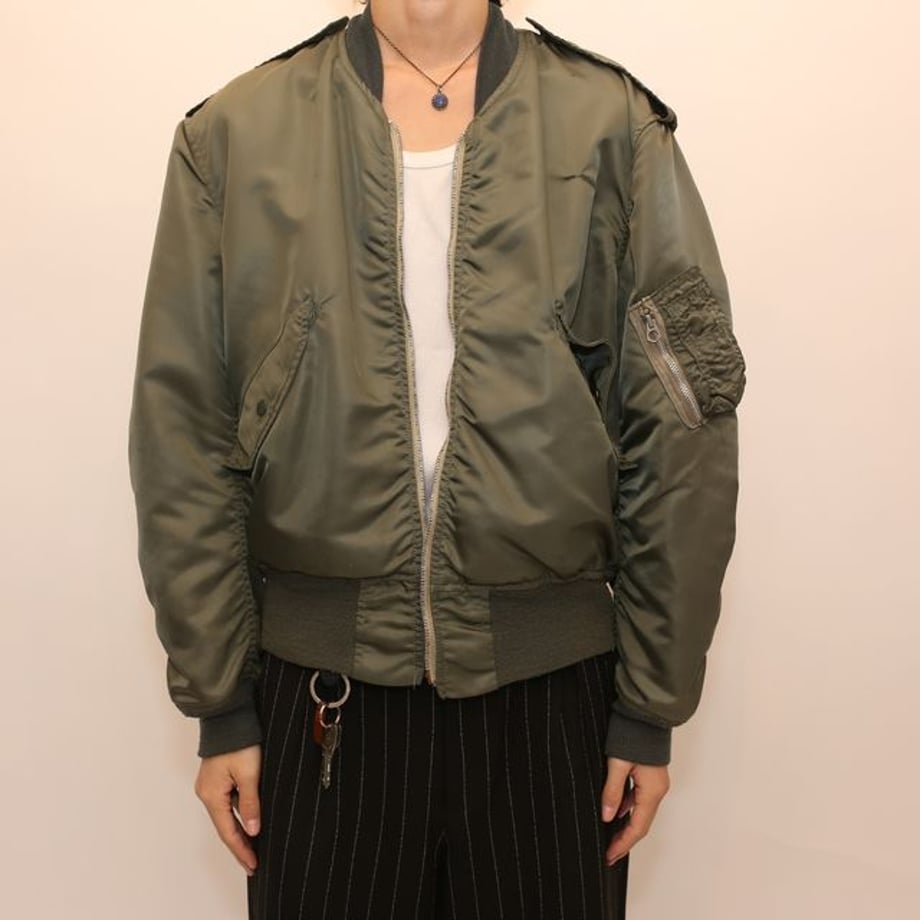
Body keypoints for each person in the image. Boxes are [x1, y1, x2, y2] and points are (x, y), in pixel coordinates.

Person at [128, 0, 746, 917]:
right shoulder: (232, 135)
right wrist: (222, 702)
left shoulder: (615, 125)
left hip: (554, 703)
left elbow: (687, 423)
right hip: (321, 699)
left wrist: (649, 705)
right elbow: (182, 431)